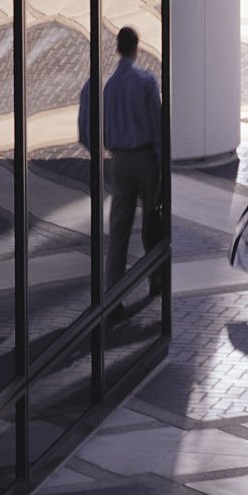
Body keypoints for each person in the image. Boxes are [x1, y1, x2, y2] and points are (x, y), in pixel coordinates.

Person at [78, 26, 162, 318]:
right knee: (153, 224)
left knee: (119, 230)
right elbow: (157, 127)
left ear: (117, 48)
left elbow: (94, 130)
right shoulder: (146, 81)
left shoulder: (109, 86)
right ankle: (156, 279)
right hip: (145, 159)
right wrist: (161, 163)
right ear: (137, 48)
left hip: (120, 161)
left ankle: (113, 295)